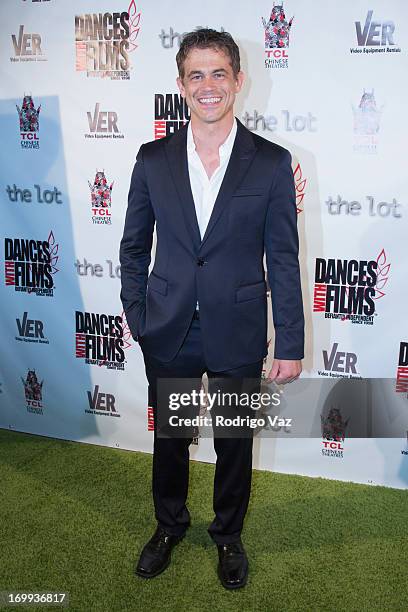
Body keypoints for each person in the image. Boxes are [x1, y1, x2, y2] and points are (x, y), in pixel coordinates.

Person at [119, 28, 304, 589]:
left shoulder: (272, 163)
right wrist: (138, 315)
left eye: (218, 72)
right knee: (171, 439)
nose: (207, 85)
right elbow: (133, 247)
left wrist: (290, 342)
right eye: (195, 75)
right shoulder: (152, 159)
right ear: (180, 85)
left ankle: (228, 535)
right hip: (169, 329)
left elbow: (284, 259)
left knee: (233, 440)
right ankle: (168, 525)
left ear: (238, 80)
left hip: (240, 327)